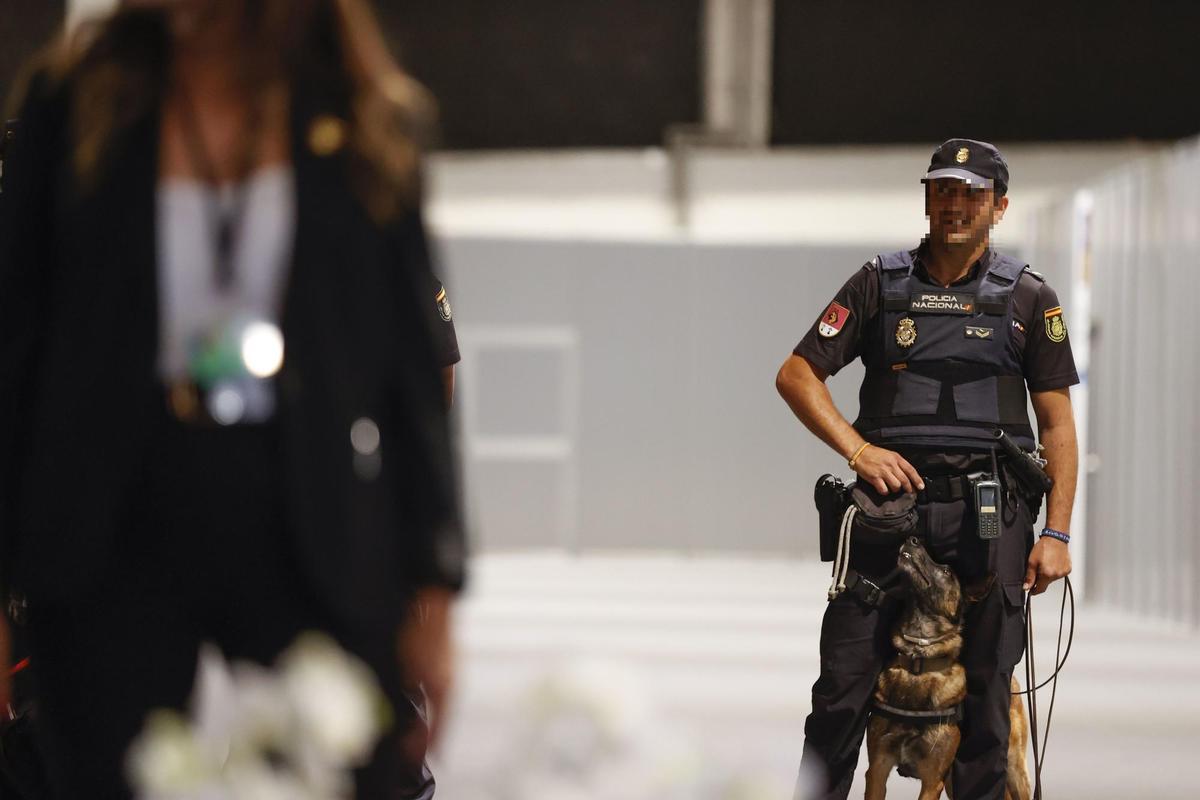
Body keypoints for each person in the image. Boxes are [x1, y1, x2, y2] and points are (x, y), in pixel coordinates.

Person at [0, 1, 465, 797]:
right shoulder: (71, 105)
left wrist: (433, 594)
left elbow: (414, 381)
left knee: (342, 767)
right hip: (110, 523)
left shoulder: (361, 116)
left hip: (306, 515)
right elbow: (16, 363)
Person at [776, 139, 1077, 800]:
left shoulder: (1029, 298)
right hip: (889, 518)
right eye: (944, 190)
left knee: (988, 702)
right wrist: (857, 451)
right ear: (928, 199)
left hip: (990, 520)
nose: (956, 205)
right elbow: (798, 374)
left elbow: (1056, 423)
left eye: (972, 194)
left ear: (999, 206)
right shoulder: (878, 284)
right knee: (841, 692)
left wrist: (1055, 534)